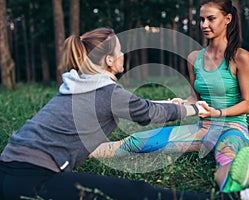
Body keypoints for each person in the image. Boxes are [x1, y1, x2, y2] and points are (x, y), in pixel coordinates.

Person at [0, 27, 212, 200]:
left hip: (8, 168)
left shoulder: (80, 83)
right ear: (109, 60)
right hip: (33, 177)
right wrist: (193, 108)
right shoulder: (106, 92)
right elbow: (146, 113)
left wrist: (167, 102)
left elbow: (127, 104)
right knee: (136, 191)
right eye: (119, 50)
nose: (122, 55)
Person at [91, 0, 249, 194]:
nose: (204, 25)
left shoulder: (240, 57)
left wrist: (218, 112)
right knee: (136, 142)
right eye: (202, 19)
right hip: (202, 130)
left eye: (211, 19)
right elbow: (195, 98)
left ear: (227, 19)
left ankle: (239, 189)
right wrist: (181, 104)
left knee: (227, 161)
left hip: (232, 128)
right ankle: (83, 151)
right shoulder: (195, 58)